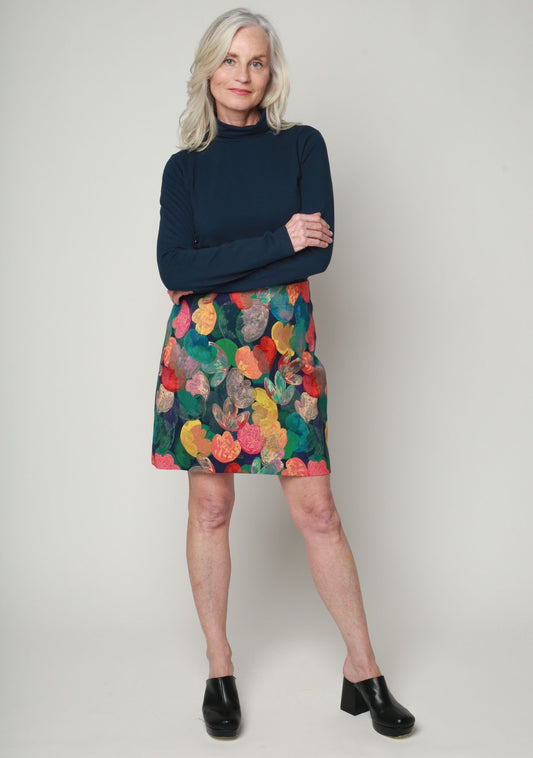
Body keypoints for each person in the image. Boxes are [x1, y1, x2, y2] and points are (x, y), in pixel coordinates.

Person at [151, 7, 415, 740]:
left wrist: (211, 270)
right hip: (204, 357)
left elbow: (317, 255)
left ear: (273, 73)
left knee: (318, 513)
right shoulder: (184, 168)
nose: (243, 74)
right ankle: (219, 666)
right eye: (230, 60)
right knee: (210, 509)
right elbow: (173, 267)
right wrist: (278, 240)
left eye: (257, 61)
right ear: (209, 69)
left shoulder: (302, 145)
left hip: (285, 351)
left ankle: (363, 670)